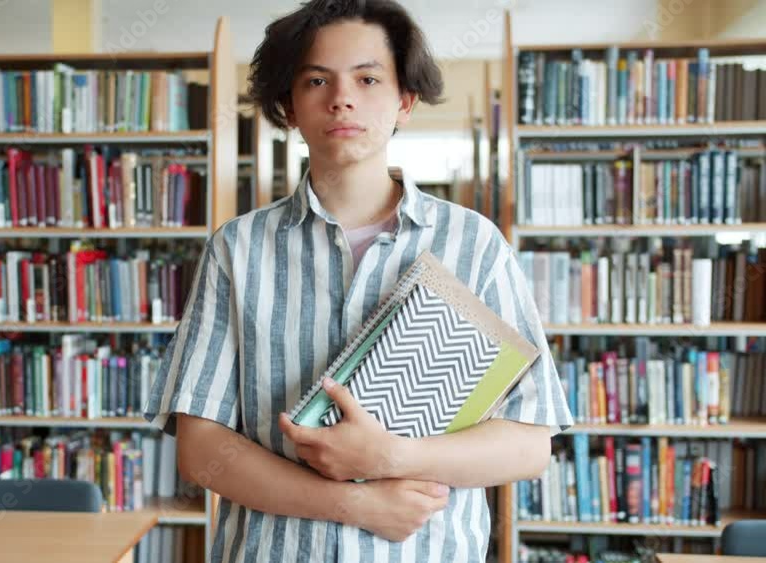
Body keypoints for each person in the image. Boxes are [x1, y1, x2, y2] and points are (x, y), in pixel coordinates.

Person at [144, 1, 573, 561]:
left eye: (368, 78)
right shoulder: (238, 248)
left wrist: (389, 458)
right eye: (316, 80)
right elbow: (202, 452)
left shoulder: (475, 245)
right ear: (289, 108)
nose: (342, 97)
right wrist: (354, 504)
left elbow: (528, 443)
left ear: (405, 101)